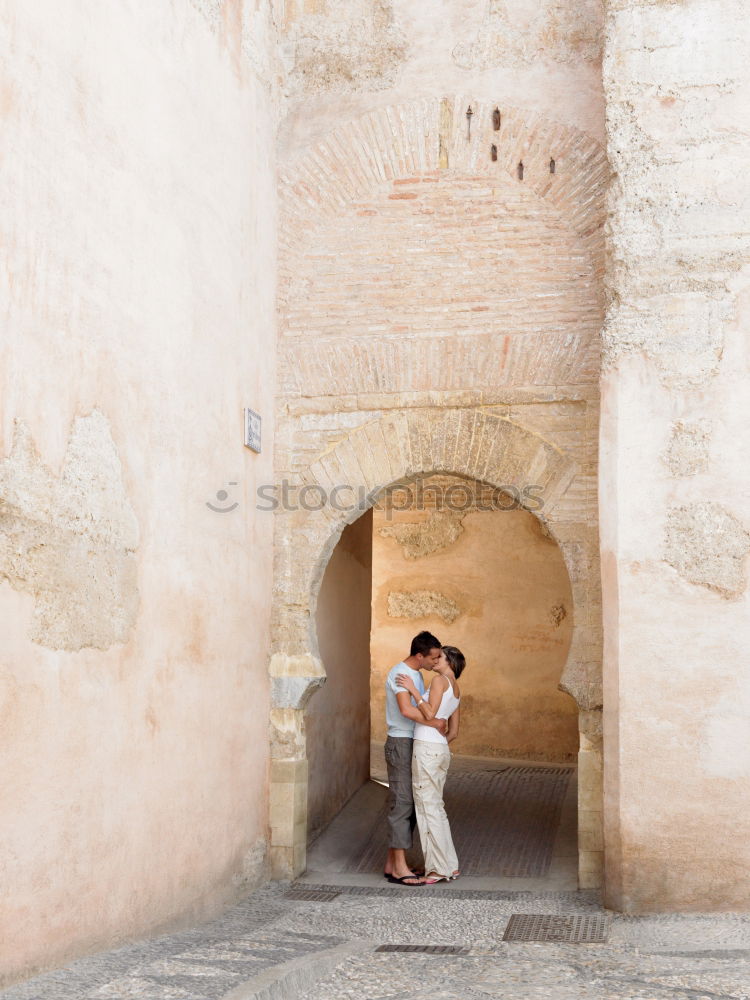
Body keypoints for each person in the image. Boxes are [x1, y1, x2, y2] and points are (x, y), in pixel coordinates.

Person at [396, 646, 466, 884]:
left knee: (427, 809)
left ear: (450, 662)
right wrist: (439, 744)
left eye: (441, 657)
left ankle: (437, 870)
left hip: (427, 749)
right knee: (437, 808)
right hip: (440, 749)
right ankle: (451, 865)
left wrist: (414, 691)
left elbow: (429, 714)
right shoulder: (457, 690)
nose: (436, 660)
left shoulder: (439, 681)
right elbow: (453, 731)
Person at [383, 631, 446, 887]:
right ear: (419, 656)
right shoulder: (402, 674)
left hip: (411, 741)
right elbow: (406, 710)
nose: (437, 661)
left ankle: (393, 862)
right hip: (400, 742)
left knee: (409, 802)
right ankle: (399, 867)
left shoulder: (416, 675)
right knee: (402, 803)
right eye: (433, 657)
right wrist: (434, 721)